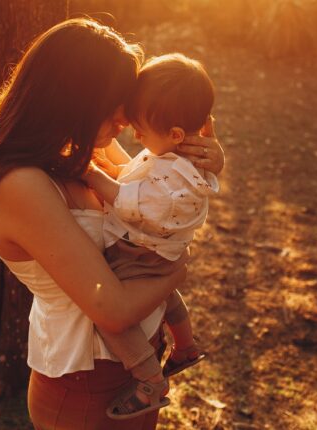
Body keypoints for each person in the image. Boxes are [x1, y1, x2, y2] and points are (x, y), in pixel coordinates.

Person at [0, 18, 224, 430]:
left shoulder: (88, 145)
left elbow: (160, 199)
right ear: (74, 99)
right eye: (116, 104)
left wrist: (203, 156)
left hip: (135, 369)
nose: (125, 117)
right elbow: (113, 309)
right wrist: (177, 268)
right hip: (86, 387)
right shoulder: (21, 184)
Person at [82, 53, 218, 420]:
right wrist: (115, 171)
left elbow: (134, 203)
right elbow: (137, 176)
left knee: (111, 317)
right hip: (161, 255)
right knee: (166, 294)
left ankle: (148, 380)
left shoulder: (176, 177)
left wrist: (95, 177)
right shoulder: (176, 157)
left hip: (138, 254)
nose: (134, 134)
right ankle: (186, 346)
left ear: (175, 134)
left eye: (140, 129)